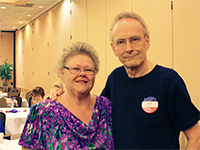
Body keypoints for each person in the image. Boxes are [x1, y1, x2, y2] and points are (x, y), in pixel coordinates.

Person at [52, 12, 200, 149]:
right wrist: (61, 92)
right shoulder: (115, 79)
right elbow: (90, 106)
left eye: (135, 40)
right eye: (121, 42)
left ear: (147, 41)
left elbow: (196, 136)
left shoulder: (168, 81)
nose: (128, 48)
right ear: (113, 48)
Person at [18, 42, 114, 150]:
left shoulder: (107, 108)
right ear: (62, 74)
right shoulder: (42, 112)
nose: (82, 73)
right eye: (75, 69)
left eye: (88, 70)